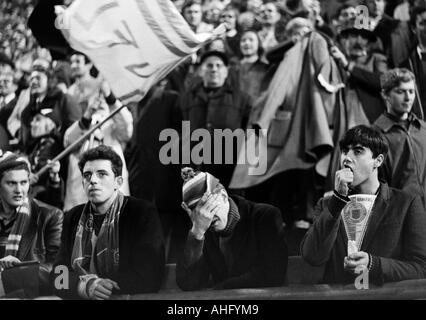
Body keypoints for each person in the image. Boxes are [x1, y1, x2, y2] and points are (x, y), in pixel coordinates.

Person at [301, 125, 426, 284]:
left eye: (358, 151)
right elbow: (312, 256)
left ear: (378, 160)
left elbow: (422, 268)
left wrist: (374, 264)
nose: (347, 158)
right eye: (345, 151)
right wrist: (338, 200)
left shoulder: (406, 203)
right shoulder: (327, 204)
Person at [52, 146, 165, 299]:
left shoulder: (141, 212)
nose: (92, 180)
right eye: (87, 175)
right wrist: (83, 287)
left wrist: (102, 287)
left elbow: (150, 276)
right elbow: (58, 273)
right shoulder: (73, 216)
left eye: (102, 174)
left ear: (118, 182)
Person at [176, 168, 288, 290]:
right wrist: (197, 233)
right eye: (198, 211)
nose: (206, 215)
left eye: (208, 205)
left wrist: (219, 290)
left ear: (223, 195)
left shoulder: (264, 216)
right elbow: (188, 284)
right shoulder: (200, 227)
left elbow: (272, 275)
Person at [180, 50, 252, 188]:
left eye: (219, 66)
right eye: (209, 65)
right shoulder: (186, 99)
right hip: (196, 171)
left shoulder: (242, 100)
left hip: (229, 172)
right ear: (201, 71)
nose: (214, 69)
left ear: (226, 71)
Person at [0, 152, 63, 297]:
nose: (19, 190)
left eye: (23, 183)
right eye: (11, 183)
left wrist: (19, 271)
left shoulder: (51, 216)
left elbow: (62, 272)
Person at [374, 68, 426, 208]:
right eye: (400, 91)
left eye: (411, 91)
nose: (408, 98)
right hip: (401, 216)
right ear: (385, 95)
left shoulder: (423, 129)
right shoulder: (374, 137)